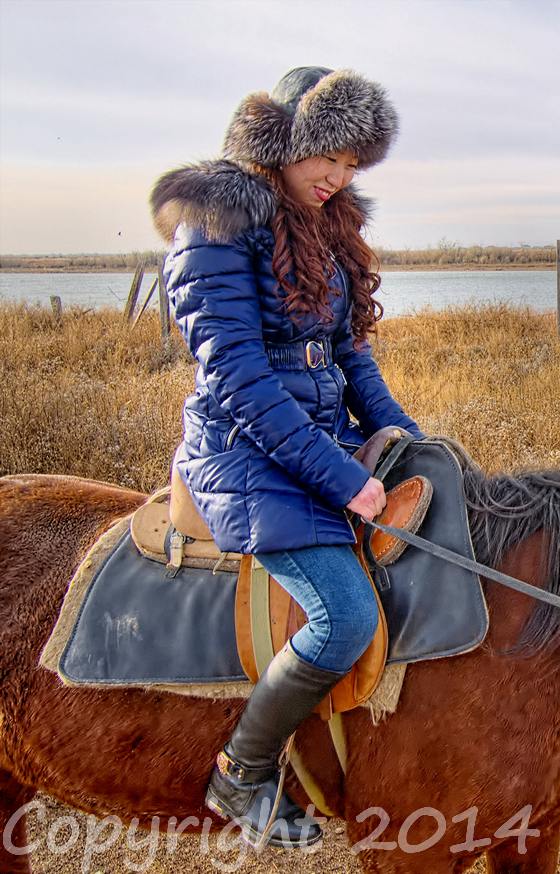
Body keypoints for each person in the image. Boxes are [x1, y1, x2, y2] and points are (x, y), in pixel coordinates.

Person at [149, 66, 424, 849]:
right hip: (243, 452)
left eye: (352, 164)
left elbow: (347, 357)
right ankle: (241, 773)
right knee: (342, 618)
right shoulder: (216, 224)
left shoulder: (321, 227)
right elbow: (236, 376)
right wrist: (344, 479)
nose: (337, 178)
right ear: (284, 143)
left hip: (312, 444)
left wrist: (406, 437)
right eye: (326, 158)